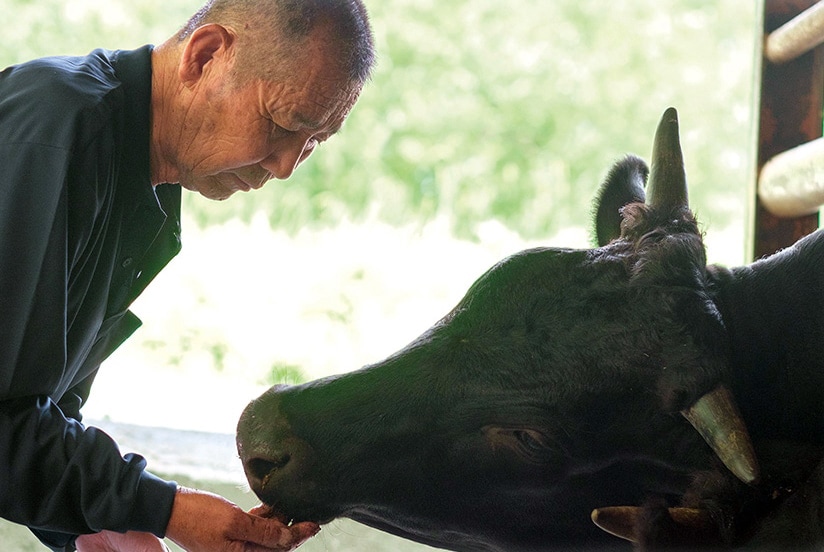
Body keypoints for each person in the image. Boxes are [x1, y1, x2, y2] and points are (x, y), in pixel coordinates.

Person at [0, 0, 375, 550]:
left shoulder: (142, 175)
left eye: (313, 142)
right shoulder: (59, 129)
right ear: (204, 56)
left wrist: (95, 529)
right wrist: (163, 508)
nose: (285, 167)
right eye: (281, 124)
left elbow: (37, 407)